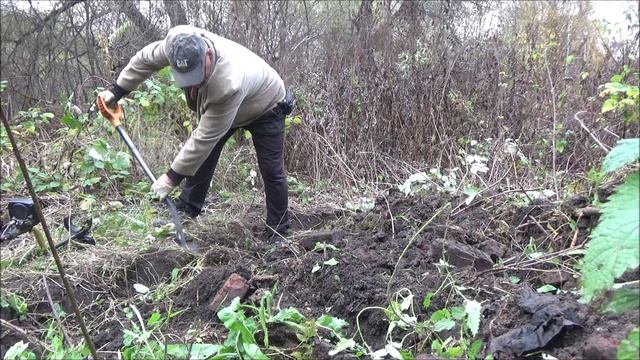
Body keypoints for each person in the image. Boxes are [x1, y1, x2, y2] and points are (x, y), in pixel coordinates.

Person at [98, 25, 292, 240]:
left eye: (195, 74)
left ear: (207, 55)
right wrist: (117, 91)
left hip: (267, 104)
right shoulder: (176, 44)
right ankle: (187, 208)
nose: (192, 81)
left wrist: (171, 178)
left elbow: (203, 139)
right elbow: (144, 60)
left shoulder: (228, 83)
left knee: (271, 169)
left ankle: (278, 229)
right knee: (204, 155)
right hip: (236, 99)